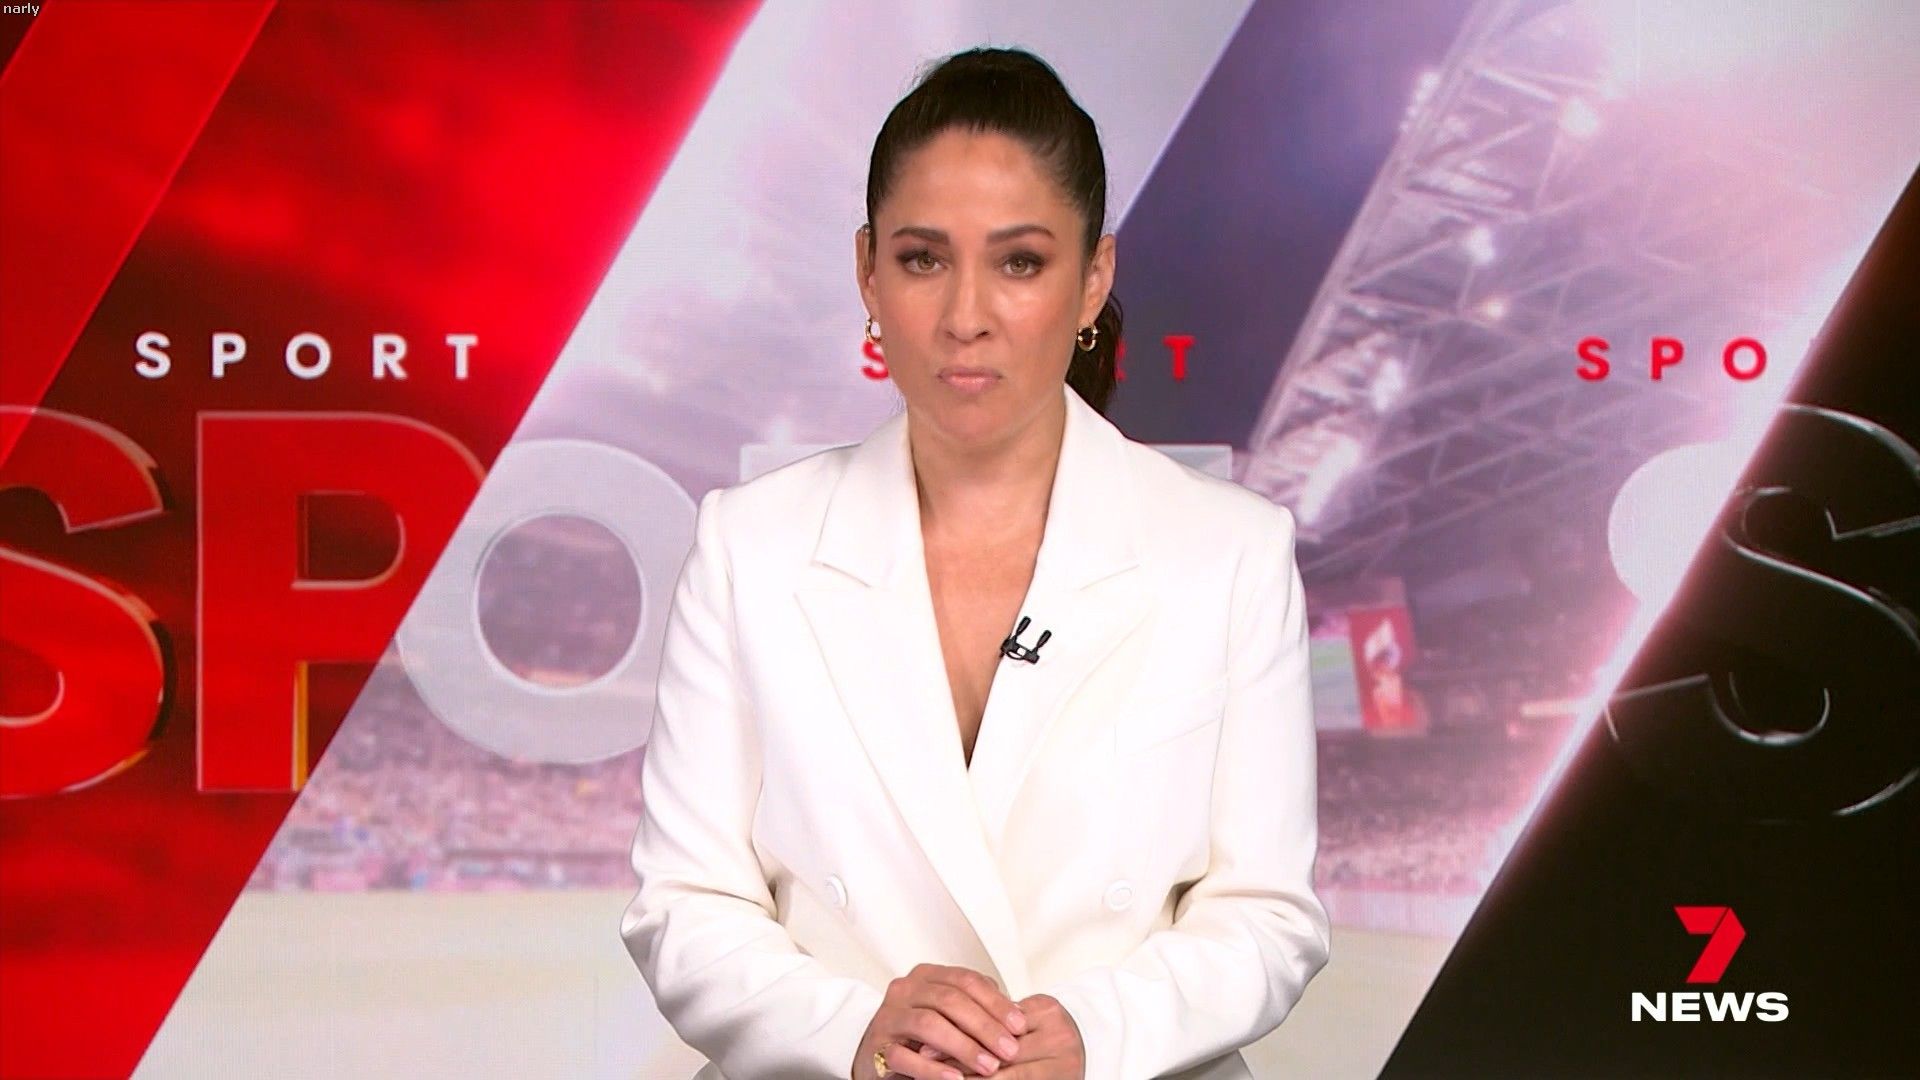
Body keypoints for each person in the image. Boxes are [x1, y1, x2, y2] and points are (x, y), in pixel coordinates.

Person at [621, 46, 1329, 1080]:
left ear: (1094, 279)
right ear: (867, 272)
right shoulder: (750, 546)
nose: (965, 317)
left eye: (1020, 263)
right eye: (922, 259)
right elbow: (685, 906)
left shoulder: (1230, 553)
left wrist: (1099, 1033)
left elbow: (1267, 915)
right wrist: (850, 1030)